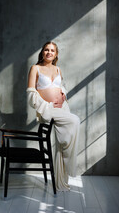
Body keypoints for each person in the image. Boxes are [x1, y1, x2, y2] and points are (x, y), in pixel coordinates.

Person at [27, 41, 80, 191]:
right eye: (46, 50)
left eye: (52, 50)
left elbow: (60, 86)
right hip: (48, 109)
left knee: (60, 145)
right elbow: (31, 94)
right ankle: (69, 160)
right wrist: (48, 106)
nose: (49, 52)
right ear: (42, 52)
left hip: (63, 108)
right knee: (75, 120)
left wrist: (63, 94)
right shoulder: (35, 68)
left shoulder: (58, 69)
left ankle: (60, 182)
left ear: (56, 54)